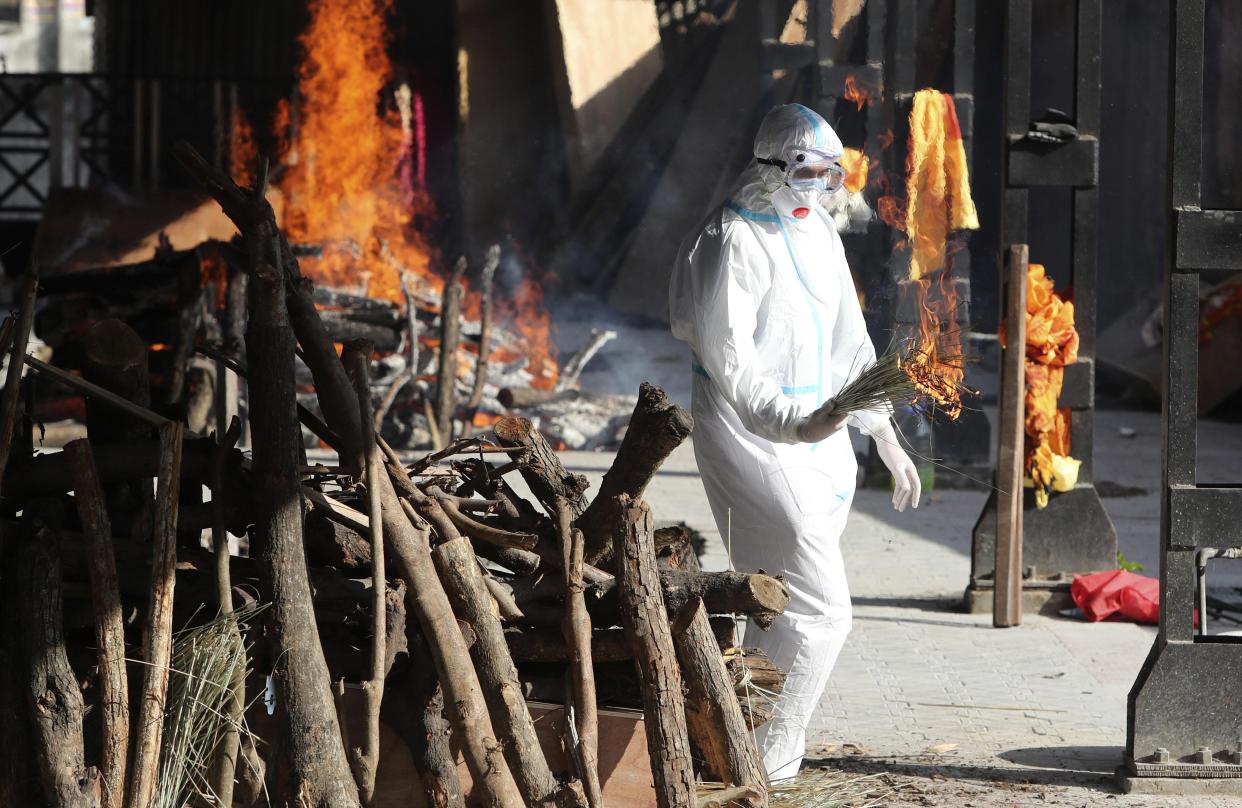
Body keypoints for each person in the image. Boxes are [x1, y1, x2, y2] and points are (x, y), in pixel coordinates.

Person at [668, 103, 922, 780]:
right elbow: (733, 361)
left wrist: (882, 431)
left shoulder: (818, 236)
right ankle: (769, 764)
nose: (820, 185)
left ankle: (733, 738)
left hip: (823, 438)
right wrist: (790, 424)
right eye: (806, 170)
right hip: (750, 437)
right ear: (771, 164)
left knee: (779, 603)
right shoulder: (731, 240)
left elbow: (848, 342)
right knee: (823, 613)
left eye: (830, 173)